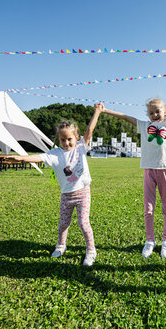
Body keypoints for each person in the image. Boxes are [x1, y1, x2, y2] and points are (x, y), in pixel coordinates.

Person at [99, 86, 166, 259]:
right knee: (148, 209)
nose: (154, 115)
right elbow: (125, 116)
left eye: (157, 111)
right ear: (148, 115)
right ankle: (150, 241)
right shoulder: (144, 125)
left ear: (165, 111)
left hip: (165, 170)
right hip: (148, 171)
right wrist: (105, 110)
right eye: (151, 113)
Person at [9, 103, 103, 266]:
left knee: (83, 223)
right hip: (66, 195)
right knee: (63, 224)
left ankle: (91, 250)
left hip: (83, 193)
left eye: (69, 139)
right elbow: (39, 157)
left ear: (76, 137)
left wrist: (97, 112)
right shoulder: (55, 154)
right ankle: (60, 245)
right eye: (62, 139)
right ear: (58, 139)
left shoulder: (81, 147)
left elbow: (89, 130)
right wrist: (22, 158)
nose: (66, 143)